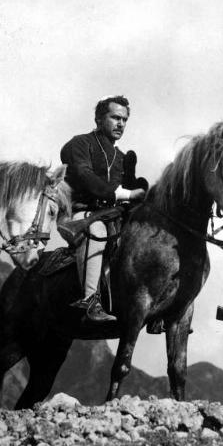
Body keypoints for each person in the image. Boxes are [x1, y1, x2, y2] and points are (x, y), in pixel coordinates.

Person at [60, 95, 146, 323]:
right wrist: (125, 194)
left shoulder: (121, 157)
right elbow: (84, 175)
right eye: (115, 117)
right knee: (96, 232)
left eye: (124, 119)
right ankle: (90, 302)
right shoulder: (79, 144)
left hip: (111, 217)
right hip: (78, 216)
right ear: (99, 119)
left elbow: (127, 194)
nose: (121, 124)